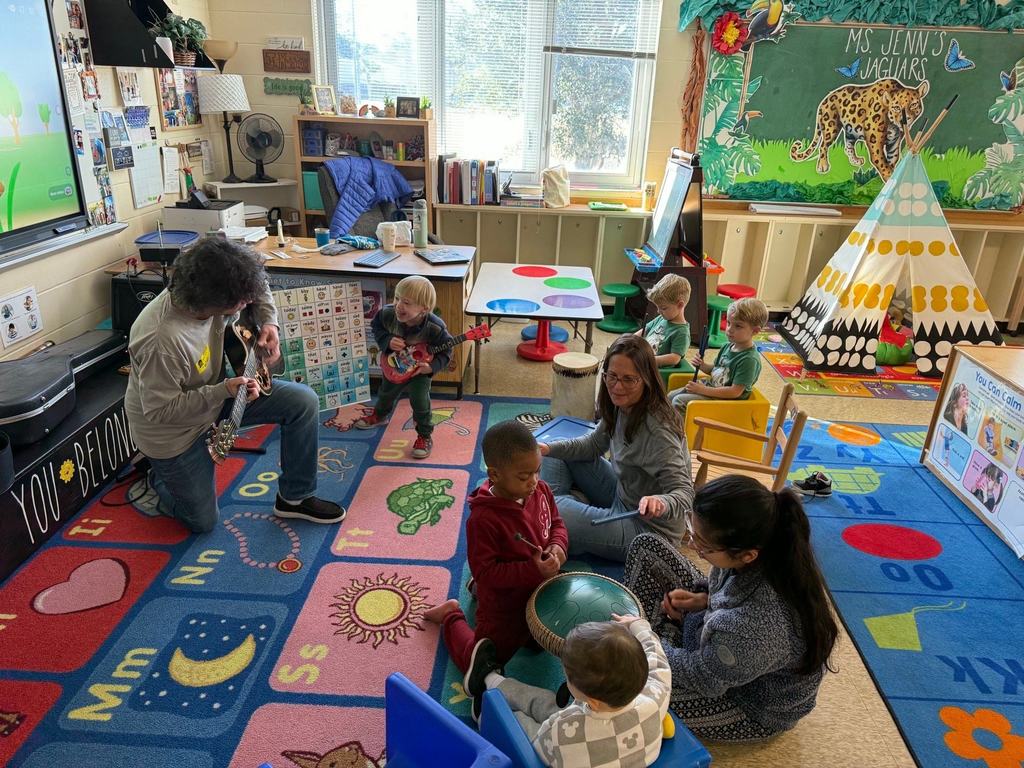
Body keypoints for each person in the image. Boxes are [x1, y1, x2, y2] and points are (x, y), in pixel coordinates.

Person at [124, 236, 346, 533]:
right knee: (202, 523)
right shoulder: (160, 340)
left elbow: (257, 287)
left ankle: (295, 497)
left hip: (216, 394)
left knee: (303, 402)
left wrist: (269, 322)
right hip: (172, 431)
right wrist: (223, 391)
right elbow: (160, 411)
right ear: (214, 302)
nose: (247, 304)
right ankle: (159, 479)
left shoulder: (217, 275)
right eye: (241, 304)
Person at [624, 475, 838, 742]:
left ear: (747, 554)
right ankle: (660, 635)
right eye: (693, 530)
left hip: (747, 703)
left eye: (702, 544)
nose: (692, 545)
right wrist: (702, 597)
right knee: (647, 546)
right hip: (720, 647)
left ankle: (656, 637)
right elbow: (724, 586)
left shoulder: (755, 627)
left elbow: (704, 678)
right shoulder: (762, 552)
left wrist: (646, 640)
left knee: (630, 686)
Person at [423, 420, 568, 717]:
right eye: (524, 476)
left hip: (538, 588)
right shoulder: (482, 520)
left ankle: (479, 594)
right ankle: (451, 614)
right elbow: (487, 572)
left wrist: (558, 547)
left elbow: (557, 524)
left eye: (537, 471)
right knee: (486, 660)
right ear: (495, 475)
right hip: (503, 603)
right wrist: (532, 570)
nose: (534, 482)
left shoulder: (539, 490)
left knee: (542, 643)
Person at [539, 334, 693, 561]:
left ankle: (560, 517)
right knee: (555, 449)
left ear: (647, 379)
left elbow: (685, 493)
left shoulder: (659, 431)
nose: (617, 387)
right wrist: (545, 449)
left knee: (550, 510)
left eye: (629, 379)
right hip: (622, 494)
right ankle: (562, 515)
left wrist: (661, 502)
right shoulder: (619, 404)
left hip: (648, 530)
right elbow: (592, 445)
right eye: (612, 376)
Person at [466, 616, 671, 767]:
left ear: (593, 700)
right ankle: (493, 682)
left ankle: (486, 708)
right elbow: (655, 654)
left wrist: (506, 720)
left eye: (567, 676)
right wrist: (638, 625)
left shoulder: (564, 732)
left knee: (520, 720)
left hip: (555, 746)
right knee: (550, 706)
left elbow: (541, 742)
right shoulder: (656, 693)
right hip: (619, 739)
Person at [353, 275, 453, 459]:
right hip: (393, 364)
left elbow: (447, 351)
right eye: (397, 298)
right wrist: (387, 340)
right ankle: (380, 416)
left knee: (420, 400)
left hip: (420, 370)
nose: (399, 305)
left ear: (424, 308)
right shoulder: (386, 314)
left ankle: (424, 435)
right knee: (385, 393)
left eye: (406, 302)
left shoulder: (435, 327)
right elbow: (377, 328)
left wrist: (431, 368)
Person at [668, 297, 768, 416]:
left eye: (738, 326)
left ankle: (679, 433)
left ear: (755, 331)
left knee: (679, 402)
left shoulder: (749, 360)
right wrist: (703, 365)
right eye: (729, 323)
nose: (730, 330)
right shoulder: (726, 347)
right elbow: (716, 371)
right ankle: (668, 425)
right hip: (712, 389)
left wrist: (703, 390)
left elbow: (734, 392)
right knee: (671, 396)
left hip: (726, 402)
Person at [635, 273, 691, 370]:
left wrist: (649, 361)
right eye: (658, 307)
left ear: (680, 305)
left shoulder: (682, 332)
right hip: (643, 359)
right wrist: (628, 340)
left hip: (656, 370)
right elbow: (645, 330)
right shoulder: (662, 318)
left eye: (663, 308)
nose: (658, 311)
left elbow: (674, 358)